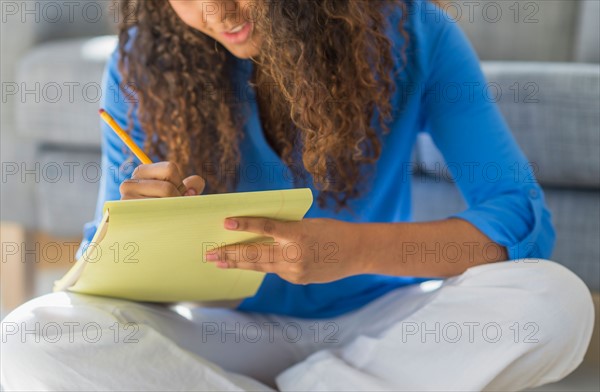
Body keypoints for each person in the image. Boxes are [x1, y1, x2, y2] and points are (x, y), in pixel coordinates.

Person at [1, 1, 594, 390]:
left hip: (382, 323)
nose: (217, 10)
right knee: (28, 338)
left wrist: (353, 252)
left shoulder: (413, 33)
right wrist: (137, 236)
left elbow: (521, 219)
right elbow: (101, 288)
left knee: (558, 302)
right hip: (222, 335)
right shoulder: (144, 62)